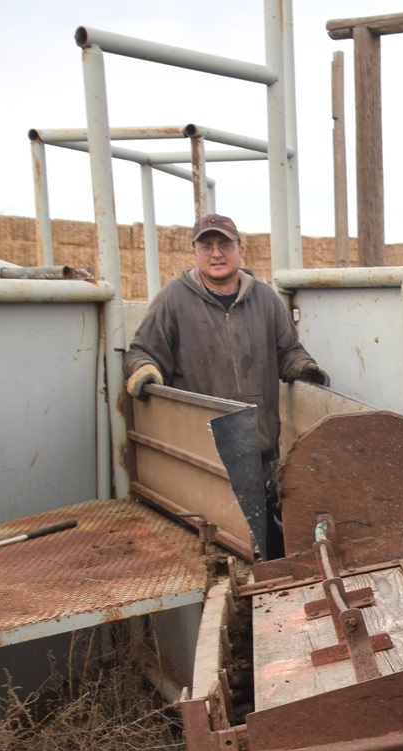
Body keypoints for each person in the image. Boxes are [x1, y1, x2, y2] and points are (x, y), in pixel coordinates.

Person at [122, 213, 329, 544]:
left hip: (261, 449)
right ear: (194, 252)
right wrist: (145, 372)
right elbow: (142, 352)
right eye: (207, 246)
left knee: (268, 541)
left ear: (240, 249)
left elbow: (288, 351)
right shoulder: (173, 299)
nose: (216, 254)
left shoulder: (265, 299)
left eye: (225, 245)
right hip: (205, 457)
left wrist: (305, 368)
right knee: (216, 543)